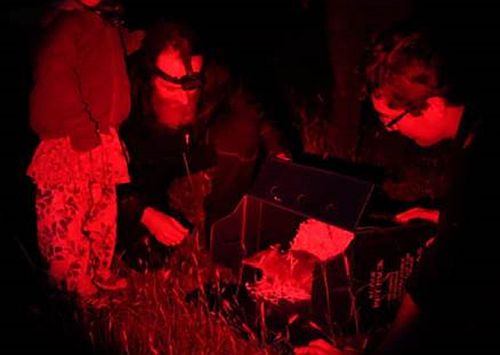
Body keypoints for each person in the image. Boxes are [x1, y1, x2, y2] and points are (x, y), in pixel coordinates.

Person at [362, 26, 499, 353]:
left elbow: (435, 281)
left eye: (390, 120)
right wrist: (445, 215)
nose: (390, 131)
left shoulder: (479, 157)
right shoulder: (475, 118)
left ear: (434, 105)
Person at [118, 21, 289, 270]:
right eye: (169, 86)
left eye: (192, 85)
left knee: (242, 134)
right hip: (145, 163)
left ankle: (222, 222)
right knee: (147, 259)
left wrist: (279, 151)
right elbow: (101, 164)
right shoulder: (127, 84)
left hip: (194, 147)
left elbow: (254, 110)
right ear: (150, 72)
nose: (183, 97)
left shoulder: (216, 75)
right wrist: (143, 211)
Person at [27, 0, 143, 297]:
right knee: (67, 215)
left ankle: (95, 271)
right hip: (71, 138)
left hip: (102, 137)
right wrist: (78, 124)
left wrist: (134, 42)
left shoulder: (105, 25)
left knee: (101, 213)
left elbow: (100, 59)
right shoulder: (68, 24)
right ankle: (71, 282)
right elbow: (54, 74)